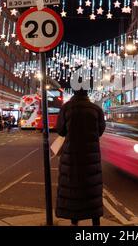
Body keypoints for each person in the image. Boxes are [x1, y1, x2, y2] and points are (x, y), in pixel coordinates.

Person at [55, 88, 106, 226]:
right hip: (91, 155)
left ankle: (74, 221)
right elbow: (100, 130)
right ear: (87, 93)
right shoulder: (96, 109)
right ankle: (95, 221)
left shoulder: (66, 108)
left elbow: (60, 130)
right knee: (91, 187)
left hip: (71, 156)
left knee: (73, 186)